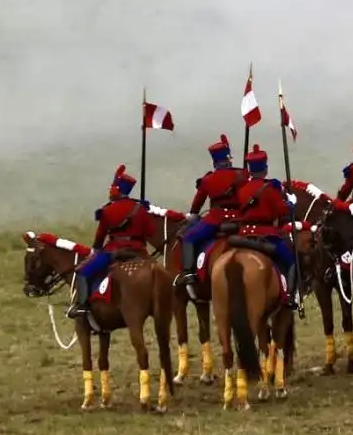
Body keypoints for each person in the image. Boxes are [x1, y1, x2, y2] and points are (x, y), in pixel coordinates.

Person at [68, 165, 157, 319]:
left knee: (83, 272)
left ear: (117, 190)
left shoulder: (107, 210)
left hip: (115, 251)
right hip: (139, 250)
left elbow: (100, 236)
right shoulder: (140, 208)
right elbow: (150, 233)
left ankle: (82, 306)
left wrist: (96, 250)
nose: (110, 191)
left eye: (112, 188)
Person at [178, 135, 246, 300]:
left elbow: (196, 208)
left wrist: (193, 215)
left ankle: (189, 273)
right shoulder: (242, 174)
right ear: (228, 158)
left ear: (215, 161)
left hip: (216, 220)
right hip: (240, 219)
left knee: (189, 238)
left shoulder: (208, 180)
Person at [232, 146, 298, 309]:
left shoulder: (242, 190)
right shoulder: (269, 190)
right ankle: (289, 296)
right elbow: (281, 210)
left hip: (243, 235)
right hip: (267, 234)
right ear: (265, 169)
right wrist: (291, 203)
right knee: (291, 261)